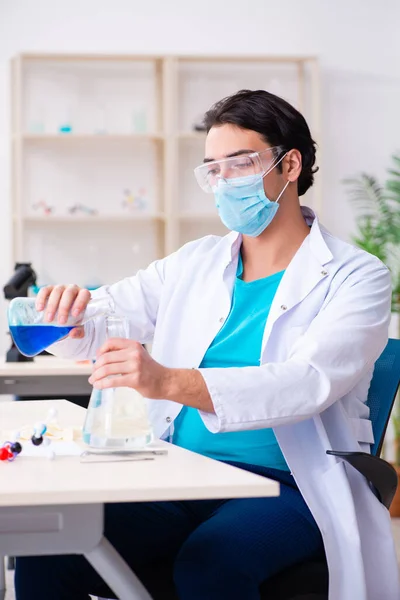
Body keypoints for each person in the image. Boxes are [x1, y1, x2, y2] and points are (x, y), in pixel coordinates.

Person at [15, 90, 399, 600]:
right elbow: (110, 315)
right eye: (212, 170)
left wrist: (169, 381)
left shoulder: (356, 276)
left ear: (290, 165)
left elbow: (309, 383)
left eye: (238, 164)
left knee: (210, 564)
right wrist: (68, 316)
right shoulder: (195, 262)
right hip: (182, 475)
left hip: (288, 485)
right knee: (53, 548)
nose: (223, 183)